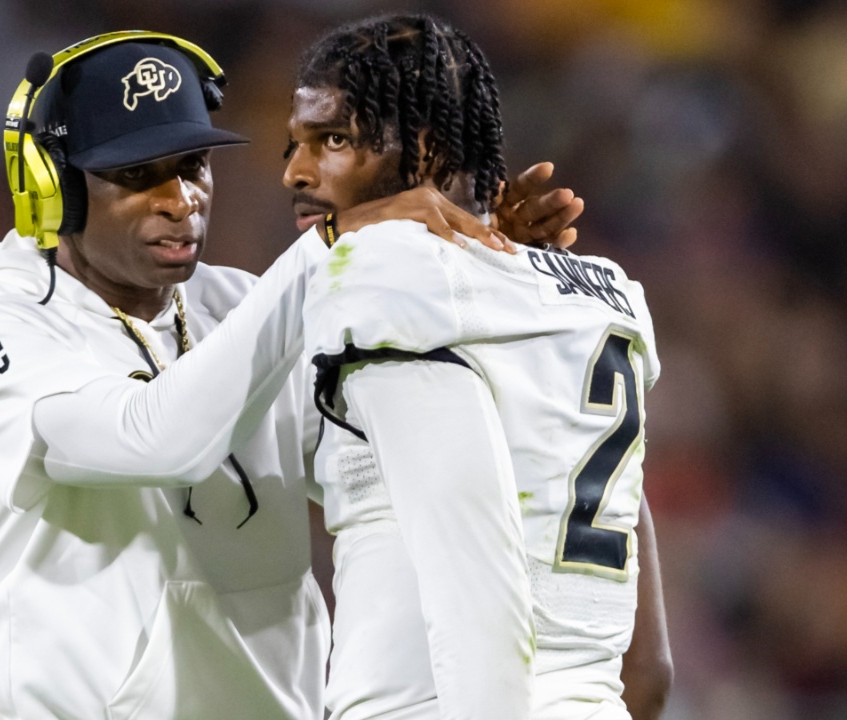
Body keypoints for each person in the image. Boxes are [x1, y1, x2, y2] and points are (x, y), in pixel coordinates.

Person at [0, 31, 582, 719]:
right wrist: (332, 246)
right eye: (136, 175)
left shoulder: (242, 303)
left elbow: (387, 463)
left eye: (192, 166)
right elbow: (155, 440)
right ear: (53, 189)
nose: (180, 200)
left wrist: (484, 276)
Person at [283, 14, 672, 720]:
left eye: (334, 140)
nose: (299, 172)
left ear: (423, 149)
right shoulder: (608, 297)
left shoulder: (387, 282)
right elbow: (650, 673)